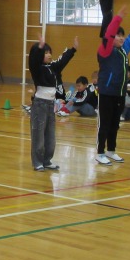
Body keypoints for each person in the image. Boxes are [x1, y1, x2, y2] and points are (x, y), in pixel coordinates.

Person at [96, 5, 130, 165]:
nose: (121, 38)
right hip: (106, 93)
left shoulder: (123, 50)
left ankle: (111, 151)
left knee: (115, 124)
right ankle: (100, 152)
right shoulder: (105, 50)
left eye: (122, 36)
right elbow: (109, 35)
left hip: (119, 94)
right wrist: (117, 19)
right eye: (118, 36)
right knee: (104, 125)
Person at [28, 35, 78, 171]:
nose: (49, 55)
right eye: (46, 53)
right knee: (38, 135)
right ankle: (37, 162)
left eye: (49, 52)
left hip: (51, 105)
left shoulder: (52, 67)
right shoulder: (37, 68)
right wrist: (39, 48)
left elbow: (62, 61)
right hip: (40, 104)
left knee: (50, 136)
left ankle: (47, 160)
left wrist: (73, 49)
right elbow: (33, 60)